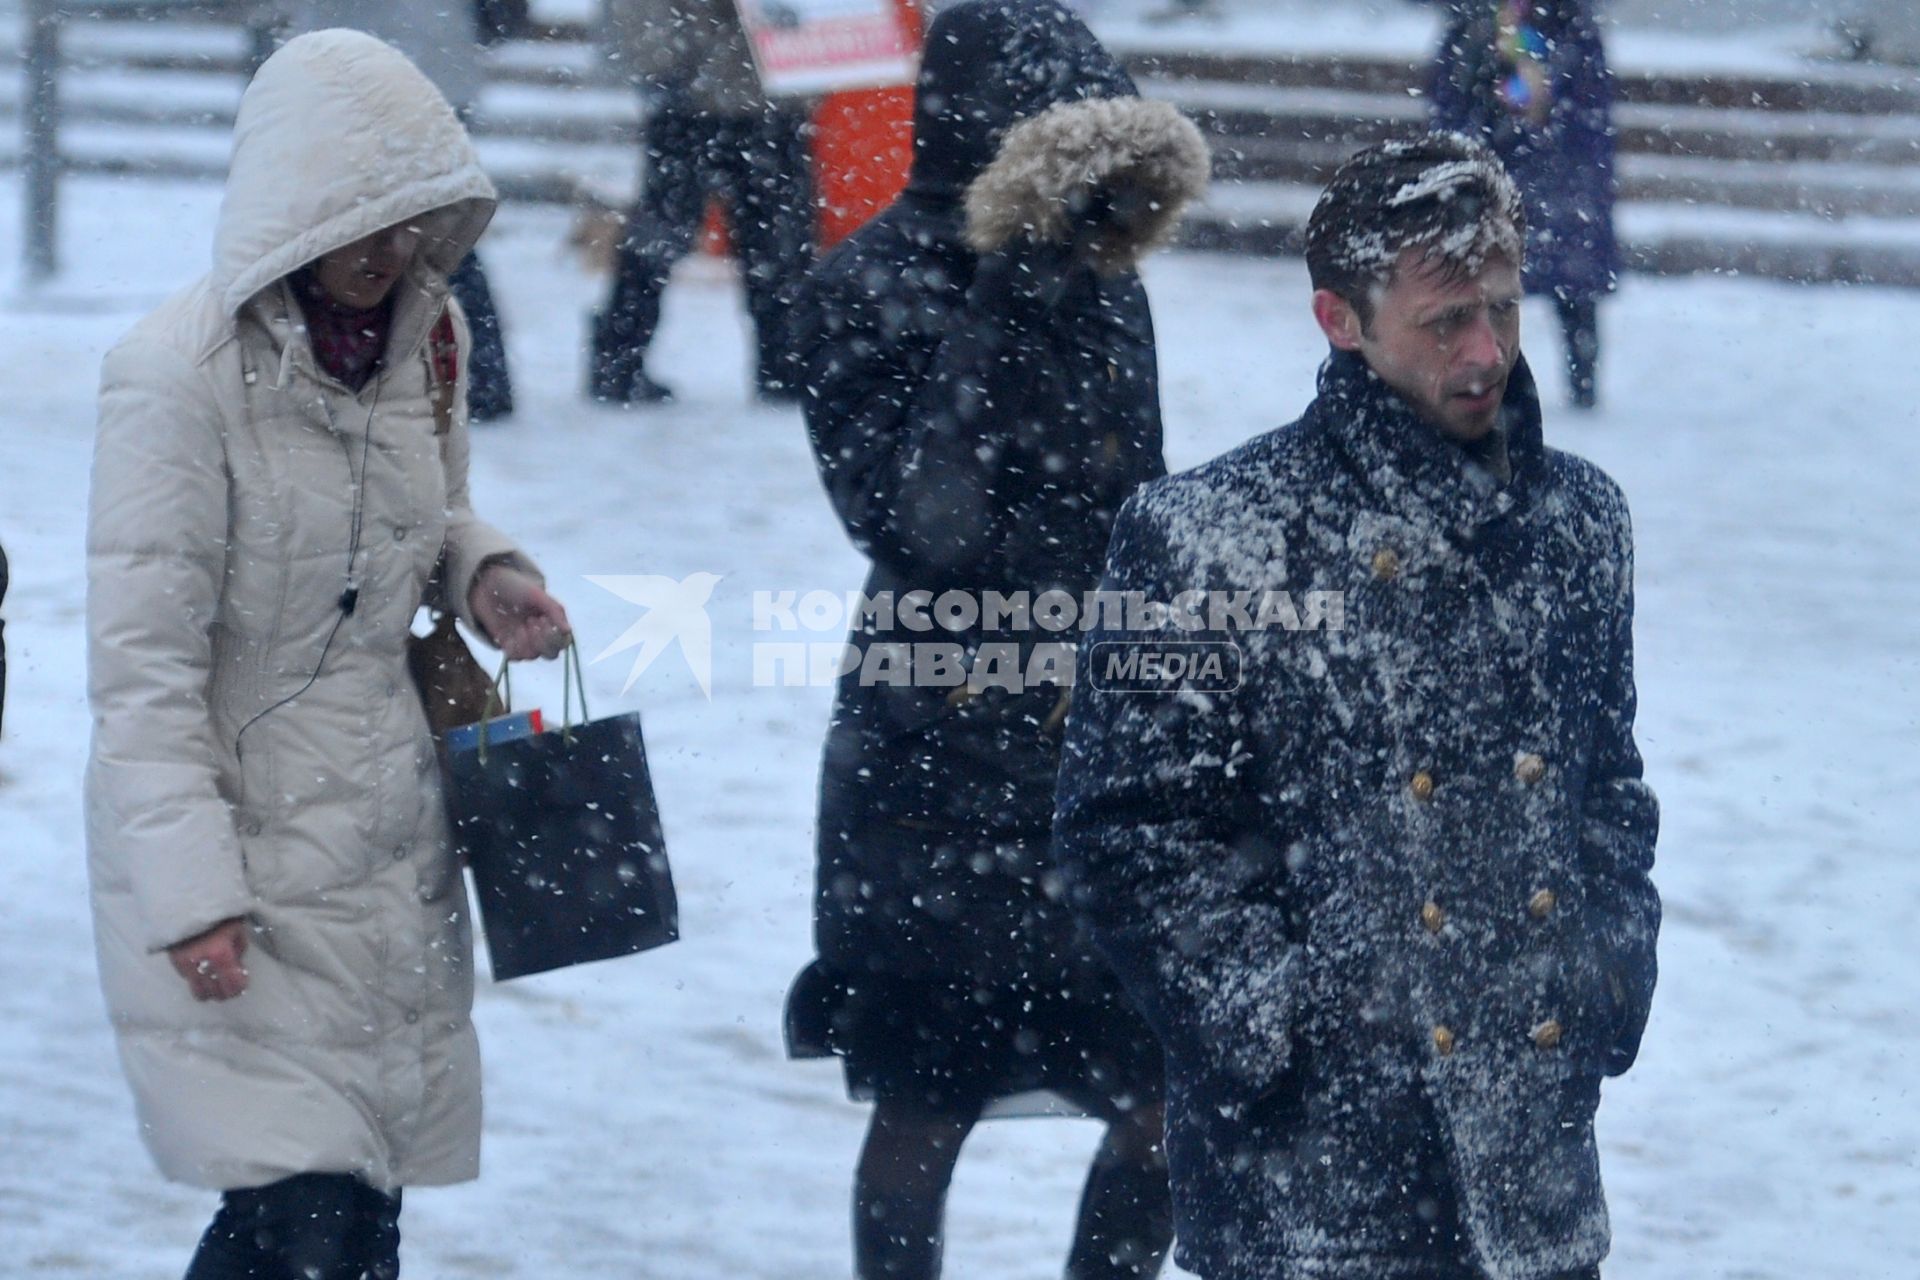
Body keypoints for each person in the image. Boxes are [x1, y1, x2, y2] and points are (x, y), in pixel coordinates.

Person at [1054, 133, 1660, 1280]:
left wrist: (1603, 976)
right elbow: (1123, 836)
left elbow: (1609, 785)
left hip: (1531, 1168)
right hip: (1312, 1178)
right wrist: (1280, 1024)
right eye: (1444, 322)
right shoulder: (1199, 534)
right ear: (1341, 320)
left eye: (1501, 308)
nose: (1486, 352)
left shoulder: (1584, 520)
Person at [85, 30, 571, 1279]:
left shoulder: (425, 340)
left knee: (357, 1212)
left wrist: (487, 570)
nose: (390, 251)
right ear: (294, 208)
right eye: (365, 221)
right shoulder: (172, 379)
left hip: (390, 831)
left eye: (414, 220)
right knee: (299, 1211)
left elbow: (429, 511)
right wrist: (193, 894)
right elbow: (142, 672)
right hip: (243, 842)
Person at [783, 2, 1209, 1276]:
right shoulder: (860, 281)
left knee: (1161, 1099)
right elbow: (922, 521)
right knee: (926, 1103)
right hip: (932, 758)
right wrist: (1008, 288)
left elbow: (1138, 497)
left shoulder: (1104, 281)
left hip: (1099, 745)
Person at [280, 0, 520, 420]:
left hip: (360, 73)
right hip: (424, 60)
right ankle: (475, 374)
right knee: (427, 232)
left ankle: (464, 374)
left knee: (393, 231)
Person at [591, 0, 815, 405]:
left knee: (773, 241)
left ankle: (620, 361)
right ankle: (620, 362)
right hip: (717, 90)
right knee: (759, 238)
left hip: (743, 89)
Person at [1424, 0, 1618, 409]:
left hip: (1559, 178)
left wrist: (1540, 107)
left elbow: (1587, 111)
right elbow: (1448, 107)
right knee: (1482, 290)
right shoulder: (1472, 26)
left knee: (1571, 291)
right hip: (1496, 176)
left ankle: (1581, 384)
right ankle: (1480, 384)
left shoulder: (1571, 29)